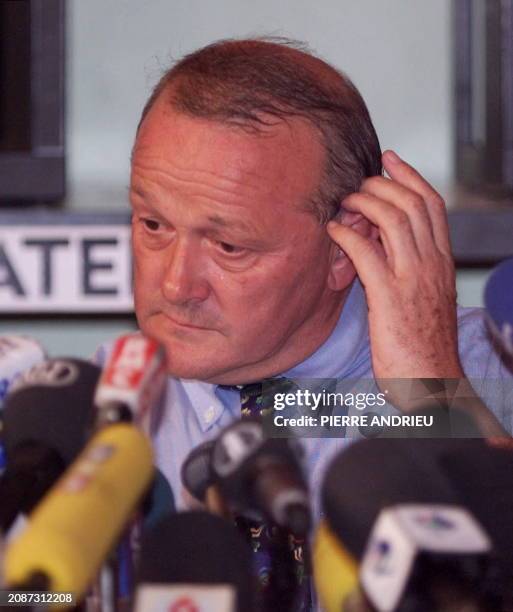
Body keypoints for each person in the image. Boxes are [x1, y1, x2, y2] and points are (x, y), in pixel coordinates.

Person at [96, 36, 512, 608]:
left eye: (228, 245)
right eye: (152, 225)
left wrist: (430, 390)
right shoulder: (83, 410)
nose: (174, 286)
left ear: (344, 247)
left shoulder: (491, 376)